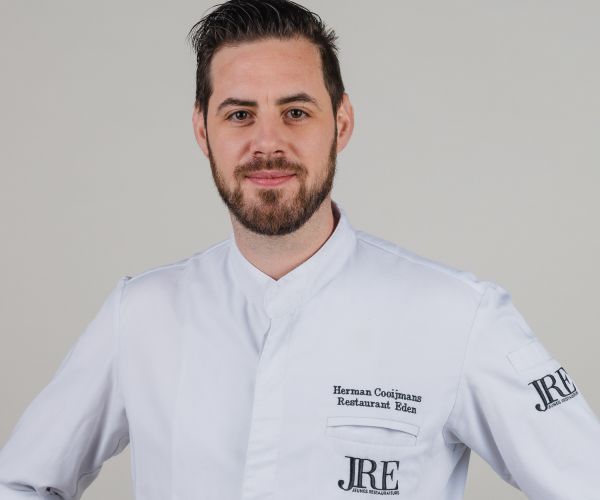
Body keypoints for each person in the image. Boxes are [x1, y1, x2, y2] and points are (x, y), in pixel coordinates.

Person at [1, 0, 598, 498]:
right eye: (240, 114)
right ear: (202, 130)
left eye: (295, 111)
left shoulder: (460, 317)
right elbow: (20, 483)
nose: (268, 143)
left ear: (341, 123)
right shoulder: (141, 315)